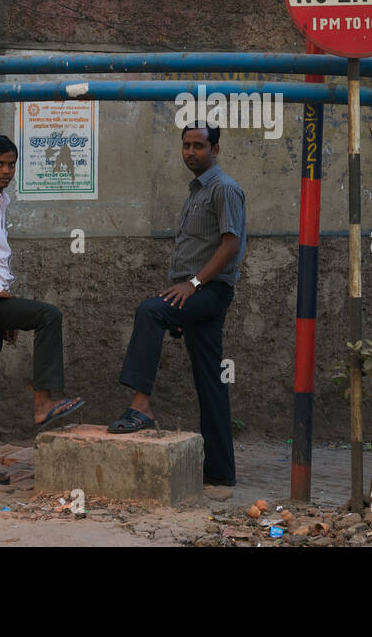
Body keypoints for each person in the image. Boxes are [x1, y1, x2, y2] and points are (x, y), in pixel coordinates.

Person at [108, 125, 246, 487]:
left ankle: (141, 405)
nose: (191, 152)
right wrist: (184, 287)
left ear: (215, 149)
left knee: (151, 310)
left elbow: (231, 244)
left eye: (199, 146)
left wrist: (193, 284)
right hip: (196, 294)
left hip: (210, 291)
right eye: (186, 145)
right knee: (210, 380)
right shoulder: (197, 190)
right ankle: (220, 471)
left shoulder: (224, 188)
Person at [0, 134, 84, 486]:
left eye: (11, 164)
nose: (6, 171)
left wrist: (3, 301)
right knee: (48, 315)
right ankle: (44, 402)